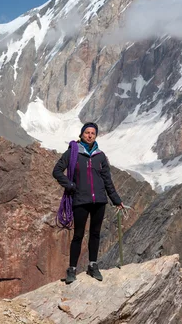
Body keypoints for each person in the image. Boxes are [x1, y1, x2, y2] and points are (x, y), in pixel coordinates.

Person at [52, 122, 124, 284]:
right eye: (87, 132)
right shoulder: (72, 153)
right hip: (80, 200)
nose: (90, 135)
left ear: (96, 136)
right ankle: (72, 269)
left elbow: (107, 180)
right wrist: (69, 185)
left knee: (95, 234)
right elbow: (56, 171)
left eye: (93, 133)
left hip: (99, 200)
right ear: (81, 134)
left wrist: (116, 200)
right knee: (78, 235)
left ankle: (93, 265)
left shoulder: (100, 156)